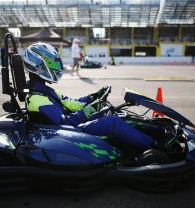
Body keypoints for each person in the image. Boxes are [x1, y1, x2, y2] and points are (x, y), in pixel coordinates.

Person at [23, 43, 174, 152]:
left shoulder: (45, 91)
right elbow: (64, 122)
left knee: (112, 112)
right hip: (66, 133)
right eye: (51, 62)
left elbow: (72, 104)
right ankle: (156, 147)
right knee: (113, 122)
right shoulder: (37, 98)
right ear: (38, 65)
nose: (55, 66)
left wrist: (93, 96)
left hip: (68, 127)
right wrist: (91, 110)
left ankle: (152, 132)